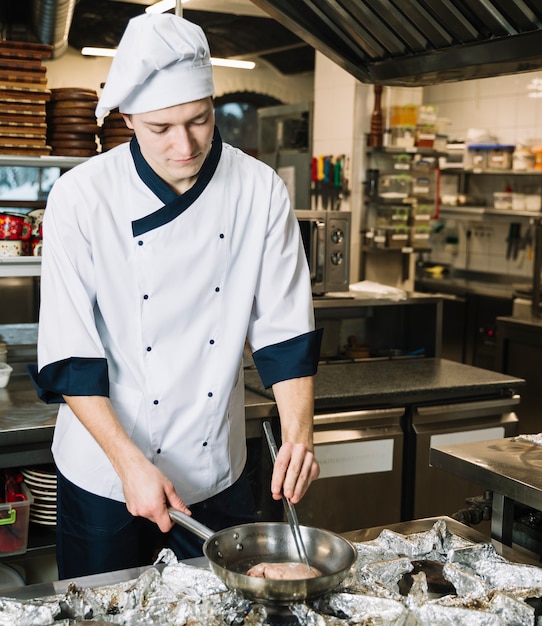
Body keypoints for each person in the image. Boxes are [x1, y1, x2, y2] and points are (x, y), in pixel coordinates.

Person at [29, 12, 322, 579]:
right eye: (162, 128)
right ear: (129, 117)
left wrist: (299, 434)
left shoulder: (259, 190)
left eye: (200, 120)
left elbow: (285, 333)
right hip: (104, 474)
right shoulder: (82, 197)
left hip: (216, 470)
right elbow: (70, 355)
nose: (185, 145)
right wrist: (128, 465)